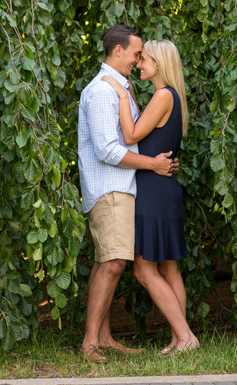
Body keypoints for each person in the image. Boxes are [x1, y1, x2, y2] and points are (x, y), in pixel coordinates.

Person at [77, 24, 179, 363]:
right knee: (115, 263)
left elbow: (131, 135)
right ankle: (91, 342)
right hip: (111, 188)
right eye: (136, 53)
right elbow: (109, 149)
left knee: (106, 261)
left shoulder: (120, 88)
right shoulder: (104, 91)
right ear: (117, 50)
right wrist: (151, 164)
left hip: (121, 188)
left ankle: (102, 338)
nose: (138, 60)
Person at [101, 38, 200, 354]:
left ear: (159, 64)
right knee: (168, 267)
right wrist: (130, 95)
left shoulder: (162, 96)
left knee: (144, 270)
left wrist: (119, 92)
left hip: (153, 191)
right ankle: (178, 340)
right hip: (164, 187)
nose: (139, 64)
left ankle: (185, 337)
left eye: (144, 59)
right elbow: (149, 132)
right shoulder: (170, 97)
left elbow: (130, 135)